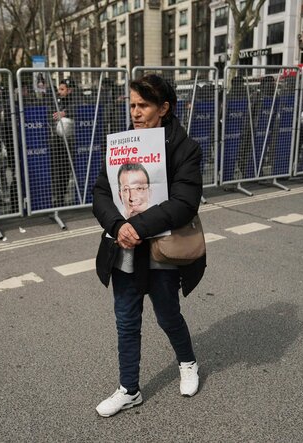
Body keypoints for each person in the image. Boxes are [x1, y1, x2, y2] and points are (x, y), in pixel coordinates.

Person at [92, 74, 206, 417]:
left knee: (168, 314)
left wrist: (136, 226)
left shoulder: (185, 147)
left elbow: (186, 202)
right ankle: (129, 389)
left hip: (162, 251)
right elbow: (101, 193)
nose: (136, 112)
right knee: (126, 320)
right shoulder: (121, 145)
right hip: (124, 249)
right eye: (132, 105)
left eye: (143, 105)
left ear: (164, 108)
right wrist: (117, 225)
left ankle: (187, 362)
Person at [50, 78, 77, 207]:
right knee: (57, 168)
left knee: (66, 168)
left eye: (62, 89)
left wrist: (66, 113)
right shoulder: (56, 101)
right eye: (58, 89)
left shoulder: (76, 100)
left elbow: (81, 110)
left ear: (70, 90)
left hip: (71, 141)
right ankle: (58, 196)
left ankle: (64, 195)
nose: (59, 92)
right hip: (57, 141)